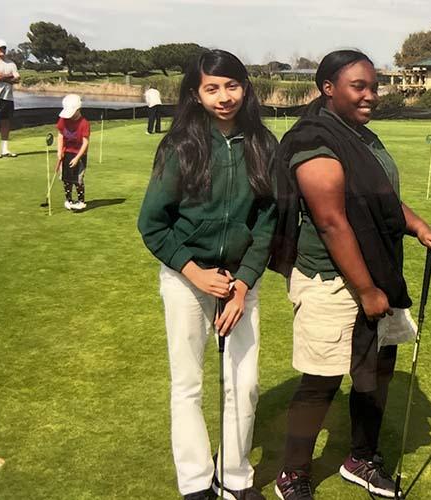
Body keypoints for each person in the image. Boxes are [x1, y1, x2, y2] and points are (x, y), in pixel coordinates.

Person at [269, 49, 431, 500]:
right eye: (359, 86)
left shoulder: (359, 136)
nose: (371, 96)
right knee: (321, 381)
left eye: (374, 87)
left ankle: (361, 458)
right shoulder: (313, 140)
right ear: (328, 89)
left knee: (374, 376)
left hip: (378, 270)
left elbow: (380, 199)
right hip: (333, 280)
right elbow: (331, 221)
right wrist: (366, 290)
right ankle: (293, 474)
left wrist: (420, 228)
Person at [137, 49, 276, 500]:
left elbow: (268, 220)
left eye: (232, 86)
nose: (224, 97)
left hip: (240, 282)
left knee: (245, 383)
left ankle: (235, 474)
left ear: (245, 88)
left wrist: (242, 283)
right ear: (195, 94)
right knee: (189, 383)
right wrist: (196, 274)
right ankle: (196, 481)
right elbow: (152, 223)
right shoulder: (180, 146)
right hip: (186, 280)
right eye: (212, 88)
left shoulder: (263, 143)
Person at [56, 94, 90, 211]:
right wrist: (59, 151)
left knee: (78, 179)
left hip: (79, 154)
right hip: (67, 152)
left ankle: (81, 201)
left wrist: (77, 158)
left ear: (78, 110)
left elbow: (85, 143)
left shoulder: (84, 123)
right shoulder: (63, 120)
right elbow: (60, 135)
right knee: (66, 178)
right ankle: (69, 200)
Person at [0, 39, 20, 159]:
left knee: (6, 122)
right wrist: (10, 76)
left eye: (4, 48)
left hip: (8, 97)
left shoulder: (11, 63)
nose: (2, 50)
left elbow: (17, 79)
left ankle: (4, 149)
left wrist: (3, 76)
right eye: (0, 48)